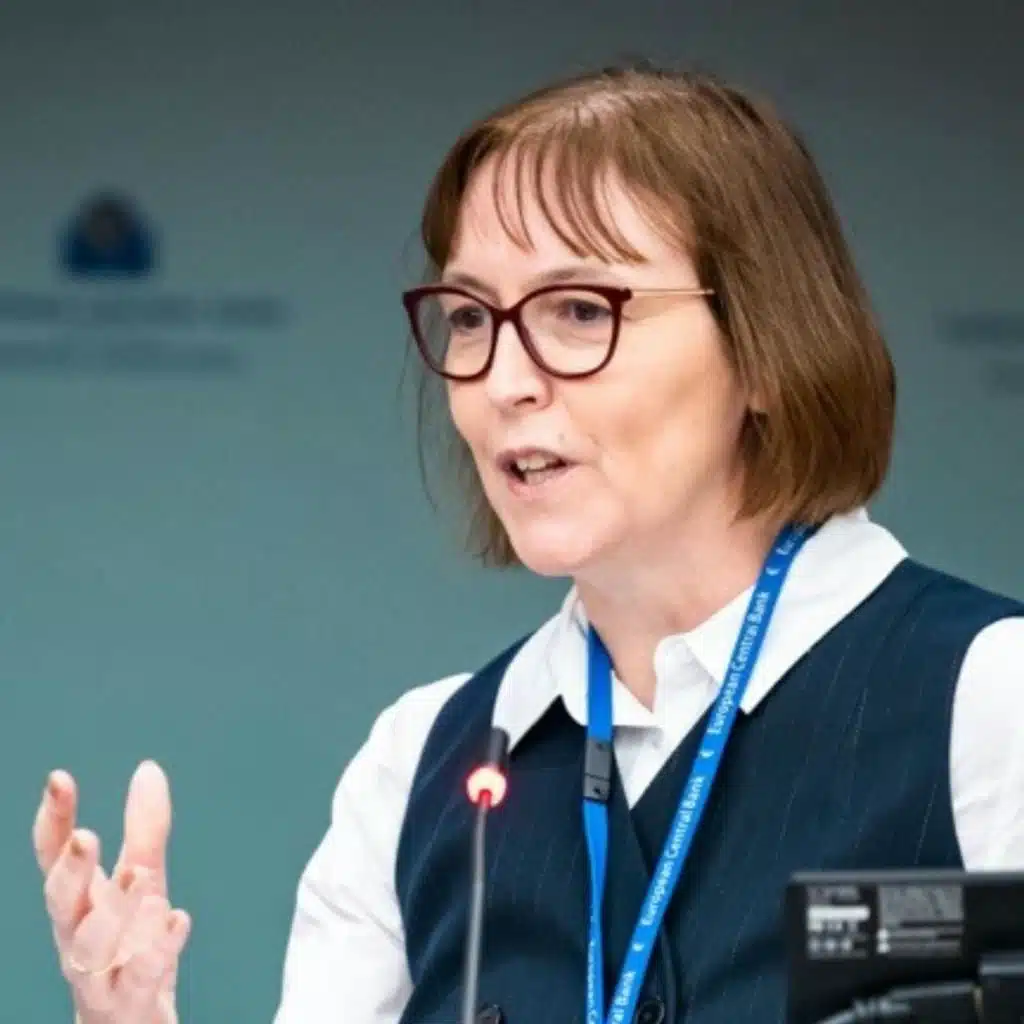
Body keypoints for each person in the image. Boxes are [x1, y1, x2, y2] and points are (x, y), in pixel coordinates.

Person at [32, 62, 1024, 1024]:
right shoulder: (420, 763)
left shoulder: (986, 701)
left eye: (580, 310)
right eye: (472, 318)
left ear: (768, 346)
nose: (504, 381)